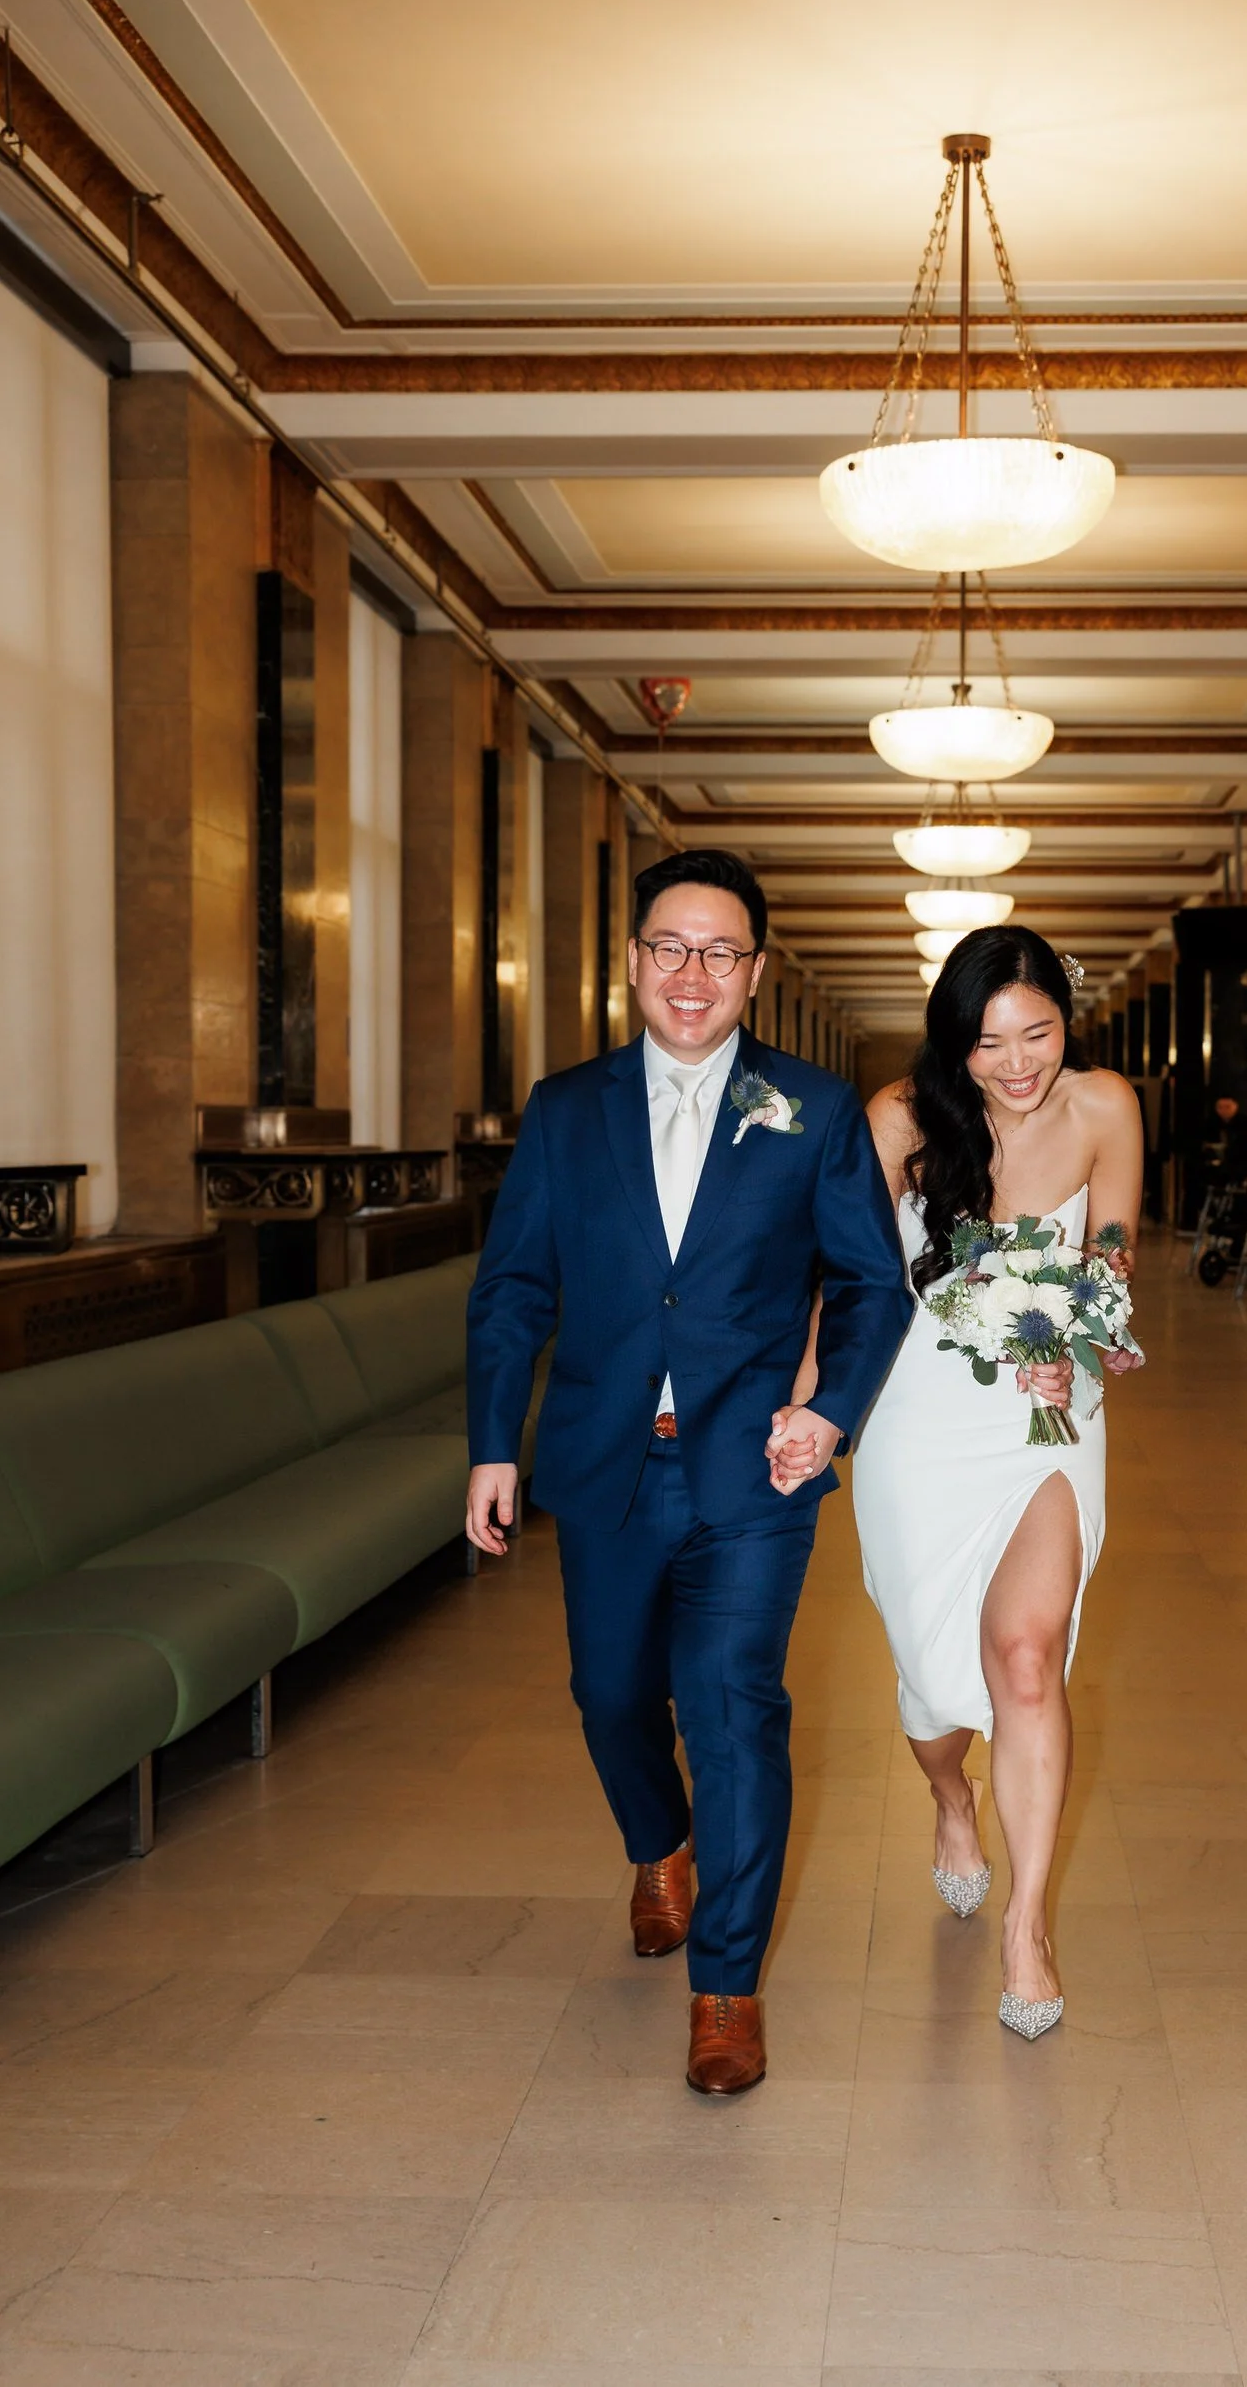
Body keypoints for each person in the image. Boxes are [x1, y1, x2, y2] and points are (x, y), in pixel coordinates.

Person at [464, 847, 912, 2097]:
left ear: (754, 972)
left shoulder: (811, 1108)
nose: (692, 972)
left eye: (720, 951)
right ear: (632, 961)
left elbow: (871, 1286)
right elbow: (511, 1289)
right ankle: (656, 1841)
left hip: (751, 1471)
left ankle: (725, 1987)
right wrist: (493, 1443)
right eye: (670, 946)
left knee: (730, 1709)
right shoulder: (566, 1109)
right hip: (604, 1461)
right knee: (609, 1695)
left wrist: (827, 1413)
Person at [793, 928, 1144, 2040]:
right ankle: (951, 1794)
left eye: (1036, 1033)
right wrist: (810, 1405)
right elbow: (844, 1277)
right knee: (936, 1685)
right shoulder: (900, 1118)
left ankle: (1027, 1927)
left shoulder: (1105, 1108)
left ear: (1064, 1024)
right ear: (954, 1041)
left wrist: (1080, 1349)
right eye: (988, 1042)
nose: (1016, 1062)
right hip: (916, 1417)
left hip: (1045, 1418)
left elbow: (1112, 1263)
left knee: (1027, 1657)